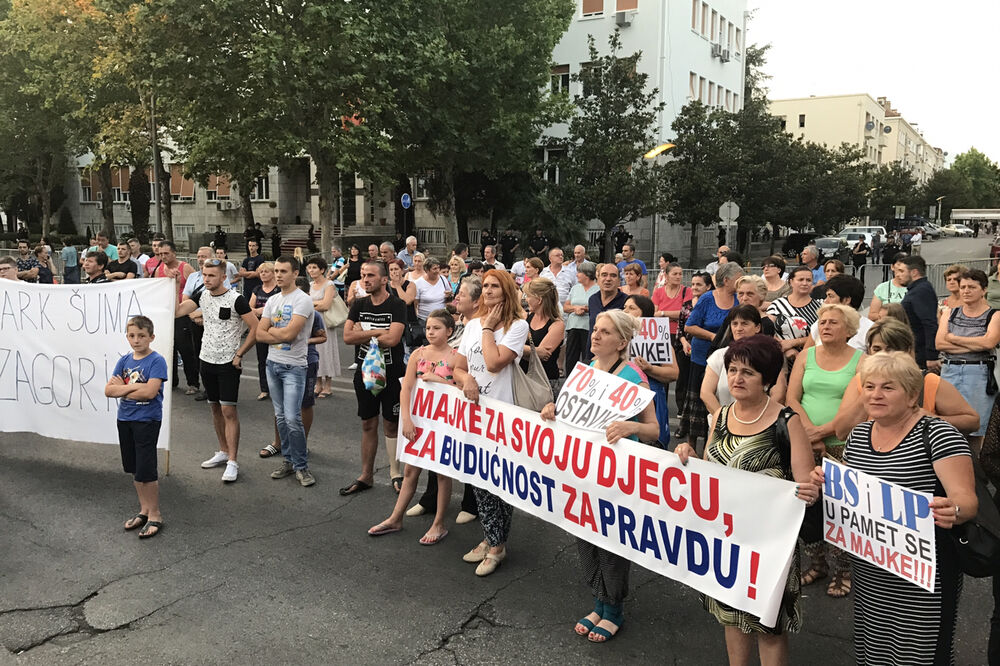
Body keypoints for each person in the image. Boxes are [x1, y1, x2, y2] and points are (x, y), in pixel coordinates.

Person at [812, 352, 977, 665]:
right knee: (876, 651)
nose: (875, 395)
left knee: (920, 654)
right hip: (871, 571)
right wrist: (824, 484)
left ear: (912, 395)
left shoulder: (939, 435)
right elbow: (854, 494)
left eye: (888, 387)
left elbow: (967, 501)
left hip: (924, 576)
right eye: (869, 386)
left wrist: (954, 508)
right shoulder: (859, 435)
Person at [676, 335, 819, 663]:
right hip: (726, 538)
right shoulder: (721, 416)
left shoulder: (787, 422)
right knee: (731, 617)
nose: (737, 378)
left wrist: (810, 491)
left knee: (768, 627)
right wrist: (688, 457)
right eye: (732, 370)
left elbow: (804, 486)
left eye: (748, 372)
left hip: (769, 544)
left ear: (766, 379)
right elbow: (710, 471)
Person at [539, 310, 660, 643]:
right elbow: (571, 414)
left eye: (604, 332)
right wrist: (553, 409)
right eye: (595, 329)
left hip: (617, 475)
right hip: (584, 472)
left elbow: (654, 429)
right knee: (585, 539)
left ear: (621, 342)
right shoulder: (589, 369)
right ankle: (598, 601)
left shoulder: (634, 376)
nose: (595, 335)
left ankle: (613, 609)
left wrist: (631, 426)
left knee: (611, 543)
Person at [453, 270, 530, 577]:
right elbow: (458, 367)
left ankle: (496, 545)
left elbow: (495, 363)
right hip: (474, 412)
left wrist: (487, 328)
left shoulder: (517, 325)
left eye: (494, 286)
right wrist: (467, 379)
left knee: (499, 480)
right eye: (484, 286)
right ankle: (491, 538)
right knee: (478, 478)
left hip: (503, 415)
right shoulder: (472, 325)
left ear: (506, 290)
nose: (487, 291)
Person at [787, 304, 865, 598]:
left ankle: (844, 569)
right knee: (807, 506)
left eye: (833, 322)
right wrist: (809, 432)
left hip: (841, 446)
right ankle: (817, 562)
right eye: (822, 322)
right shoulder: (806, 356)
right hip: (804, 442)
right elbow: (792, 398)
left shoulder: (861, 361)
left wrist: (822, 433)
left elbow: (860, 406)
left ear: (849, 330)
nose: (826, 326)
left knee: (840, 511)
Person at [368, 309, 458, 544]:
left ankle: (439, 523)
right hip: (419, 422)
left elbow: (461, 391)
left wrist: (438, 379)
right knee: (410, 470)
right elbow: (406, 387)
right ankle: (395, 517)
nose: (430, 332)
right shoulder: (418, 354)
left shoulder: (457, 357)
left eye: (436, 328)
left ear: (449, 331)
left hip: (444, 424)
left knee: (442, 474)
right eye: (428, 328)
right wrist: (406, 419)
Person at [407, 277, 482, 524]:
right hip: (441, 403)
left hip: (472, 394)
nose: (456, 297)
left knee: (469, 449)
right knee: (437, 449)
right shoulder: (459, 323)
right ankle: (430, 499)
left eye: (462, 294)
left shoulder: (483, 326)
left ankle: (471, 504)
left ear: (476, 301)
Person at [175, 259, 258, 482]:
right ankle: (222, 451)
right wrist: (175, 286)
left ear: (223, 277)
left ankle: (233, 461)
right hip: (206, 360)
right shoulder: (202, 295)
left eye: (211, 275)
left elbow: (256, 327)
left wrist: (240, 353)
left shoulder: (236, 299)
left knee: (229, 411)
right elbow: (177, 311)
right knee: (214, 409)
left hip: (228, 363)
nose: (206, 279)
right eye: (204, 275)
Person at [832, 319, 980, 441]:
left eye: (891, 349)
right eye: (877, 349)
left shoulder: (928, 382)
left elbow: (972, 422)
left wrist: (931, 419)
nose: (883, 355)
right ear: (869, 350)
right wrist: (868, 393)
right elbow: (841, 432)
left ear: (908, 350)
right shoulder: (860, 381)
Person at [341, 260, 407, 495]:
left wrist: (363, 333)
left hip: (392, 372)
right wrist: (379, 331)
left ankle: (395, 473)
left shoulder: (397, 305)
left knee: (391, 423)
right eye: (362, 275)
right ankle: (366, 475)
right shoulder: (359, 304)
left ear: (384, 279)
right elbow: (347, 337)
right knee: (368, 423)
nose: (365, 280)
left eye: (370, 275)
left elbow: (394, 339)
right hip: (365, 373)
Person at [104, 316, 169, 539]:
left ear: (151, 337)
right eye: (132, 336)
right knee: (134, 467)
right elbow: (109, 391)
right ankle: (144, 510)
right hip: (125, 419)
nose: (136, 340)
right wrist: (135, 388)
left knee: (146, 469)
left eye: (141, 336)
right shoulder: (124, 361)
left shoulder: (156, 361)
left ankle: (155, 514)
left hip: (146, 421)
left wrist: (123, 388)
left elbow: (150, 392)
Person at [257, 255, 317, 487]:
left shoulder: (303, 300)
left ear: (295, 273)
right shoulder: (273, 300)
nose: (278, 275)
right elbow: (259, 334)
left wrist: (272, 331)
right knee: (281, 417)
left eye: (283, 271)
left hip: (294, 367)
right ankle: (289, 461)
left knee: (293, 418)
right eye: (277, 271)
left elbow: (290, 335)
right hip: (272, 364)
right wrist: (277, 333)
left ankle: (301, 466)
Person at [261, 277, 327, 459]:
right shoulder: (277, 305)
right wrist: (280, 334)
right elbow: (261, 332)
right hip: (278, 359)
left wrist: (305, 340)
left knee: (304, 404)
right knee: (281, 409)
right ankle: (279, 443)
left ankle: (301, 444)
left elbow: (322, 336)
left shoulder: (312, 312)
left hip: (305, 361)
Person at [680, 262, 742, 451]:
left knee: (721, 395)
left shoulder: (739, 299)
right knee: (698, 399)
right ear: (727, 280)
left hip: (728, 357)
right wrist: (713, 336)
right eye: (738, 278)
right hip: (702, 356)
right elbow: (689, 326)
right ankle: (691, 444)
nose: (741, 281)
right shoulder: (707, 298)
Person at [936, 268, 1000, 453]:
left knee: (977, 428)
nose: (966, 291)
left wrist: (954, 339)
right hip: (950, 371)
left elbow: (989, 342)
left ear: (984, 290)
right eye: (963, 287)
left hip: (978, 374)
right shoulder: (949, 313)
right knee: (947, 425)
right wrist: (976, 344)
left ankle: (975, 467)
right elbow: (940, 343)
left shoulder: (994, 315)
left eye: (972, 287)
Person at [703, 305, 786, 414]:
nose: (739, 329)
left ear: (757, 327)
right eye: (735, 324)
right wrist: (723, 419)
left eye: (744, 323)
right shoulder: (718, 356)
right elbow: (706, 393)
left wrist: (762, 417)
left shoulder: (769, 356)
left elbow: (779, 393)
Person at [624, 295, 679, 447]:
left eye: (631, 308)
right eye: (624, 307)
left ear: (645, 314)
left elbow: (673, 373)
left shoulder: (659, 340)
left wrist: (650, 369)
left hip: (651, 400)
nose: (625, 311)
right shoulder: (618, 337)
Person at [152, 241, 196, 389]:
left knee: (186, 349)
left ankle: (193, 383)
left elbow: (197, 287)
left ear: (174, 253)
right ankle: (172, 382)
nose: (163, 256)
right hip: (166, 314)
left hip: (182, 313)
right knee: (168, 350)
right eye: (160, 254)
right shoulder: (159, 270)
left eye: (166, 253)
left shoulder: (185, 268)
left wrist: (193, 309)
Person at [675, 271, 713, 429]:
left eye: (699, 284)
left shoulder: (711, 304)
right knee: (683, 382)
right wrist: (684, 342)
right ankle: (683, 420)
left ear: (708, 286)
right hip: (685, 348)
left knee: (699, 387)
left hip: (703, 351)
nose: (695, 287)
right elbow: (680, 328)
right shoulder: (687, 305)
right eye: (693, 284)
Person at [767, 266, 820, 366]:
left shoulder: (819, 308)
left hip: (808, 361)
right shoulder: (777, 304)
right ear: (791, 282)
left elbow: (819, 335)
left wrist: (792, 343)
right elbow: (767, 330)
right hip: (779, 360)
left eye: (808, 280)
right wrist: (785, 348)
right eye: (800, 279)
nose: (805, 283)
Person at [305, 257, 342, 399]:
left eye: (314, 267)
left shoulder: (329, 284)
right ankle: (318, 383)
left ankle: (328, 385)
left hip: (325, 322)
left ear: (322, 270)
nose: (311, 270)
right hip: (311, 322)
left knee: (327, 351)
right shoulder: (309, 285)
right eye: (309, 267)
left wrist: (311, 304)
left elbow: (326, 305)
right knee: (315, 351)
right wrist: (316, 304)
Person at [521, 278, 565, 397]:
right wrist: (531, 351)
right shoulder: (527, 317)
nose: (526, 299)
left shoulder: (557, 324)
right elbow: (537, 352)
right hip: (523, 378)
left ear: (539, 299)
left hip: (545, 382)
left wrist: (515, 349)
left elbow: (541, 356)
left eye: (528, 296)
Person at [805, 274, 871, 351]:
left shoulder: (869, 329)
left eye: (830, 296)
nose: (825, 301)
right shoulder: (821, 323)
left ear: (846, 300)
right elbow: (805, 355)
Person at [897, 255, 940, 371]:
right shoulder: (916, 290)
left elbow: (929, 323)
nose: (897, 275)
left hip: (920, 353)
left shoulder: (921, 291)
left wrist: (931, 355)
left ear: (914, 272)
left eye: (902, 271)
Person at [249, 262, 279, 404]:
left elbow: (276, 308)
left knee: (276, 359)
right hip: (260, 327)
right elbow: (250, 307)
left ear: (273, 273)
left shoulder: (278, 290)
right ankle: (264, 389)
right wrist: (259, 311)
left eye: (266, 271)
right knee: (262, 359)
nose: (263, 274)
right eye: (261, 272)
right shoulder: (257, 289)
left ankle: (277, 388)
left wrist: (262, 311)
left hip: (275, 327)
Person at [565, 261, 599, 370]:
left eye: (579, 272)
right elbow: (566, 307)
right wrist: (575, 308)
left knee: (587, 357)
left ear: (587, 274)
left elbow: (599, 307)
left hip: (589, 328)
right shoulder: (575, 288)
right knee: (570, 358)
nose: (576, 275)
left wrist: (585, 309)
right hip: (573, 326)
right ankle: (569, 378)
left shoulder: (598, 289)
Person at [588, 263, 629, 354]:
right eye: (604, 275)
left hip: (614, 357)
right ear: (598, 279)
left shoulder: (626, 302)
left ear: (619, 281)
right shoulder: (592, 299)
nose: (608, 279)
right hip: (592, 356)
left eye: (613, 276)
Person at [869, 255, 909, 321]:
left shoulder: (916, 288)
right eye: (899, 264)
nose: (902, 268)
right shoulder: (882, 288)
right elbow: (872, 315)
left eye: (906, 265)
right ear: (892, 267)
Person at [651, 262, 688, 328]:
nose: (678, 277)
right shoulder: (658, 292)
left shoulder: (687, 291)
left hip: (680, 330)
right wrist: (674, 316)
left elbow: (685, 313)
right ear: (666, 275)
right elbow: (654, 314)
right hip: (661, 330)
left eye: (680, 274)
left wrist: (662, 313)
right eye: (675, 274)